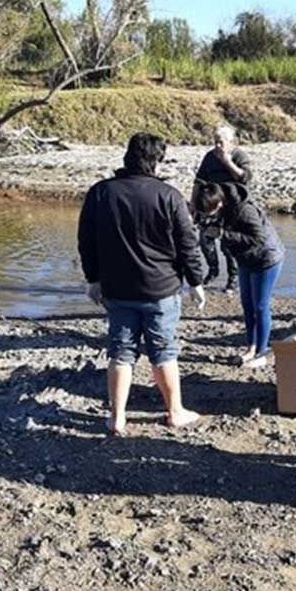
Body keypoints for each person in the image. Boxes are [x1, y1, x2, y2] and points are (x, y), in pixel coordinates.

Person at [78, 132, 208, 435]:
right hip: (161, 289)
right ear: (157, 161)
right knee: (164, 350)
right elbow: (188, 244)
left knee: (121, 351)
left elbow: (87, 241)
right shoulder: (169, 195)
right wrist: (196, 281)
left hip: (117, 288)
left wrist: (92, 278)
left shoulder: (100, 193)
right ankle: (174, 412)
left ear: (127, 156)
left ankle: (117, 417)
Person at [196, 181, 285, 369]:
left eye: (208, 212)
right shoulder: (217, 208)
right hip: (245, 258)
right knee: (247, 304)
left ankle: (262, 351)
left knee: (260, 305)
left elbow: (258, 239)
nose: (206, 215)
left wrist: (223, 234)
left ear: (219, 204)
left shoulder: (245, 210)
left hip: (266, 258)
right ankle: (251, 348)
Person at [192, 125, 253, 294]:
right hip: (211, 203)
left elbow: (246, 178)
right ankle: (213, 270)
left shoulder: (239, 155)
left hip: (232, 206)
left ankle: (232, 280)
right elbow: (198, 182)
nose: (217, 146)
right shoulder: (209, 157)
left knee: (228, 245)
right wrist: (194, 206)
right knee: (205, 240)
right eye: (215, 142)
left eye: (221, 142)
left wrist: (227, 162)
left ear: (230, 142)